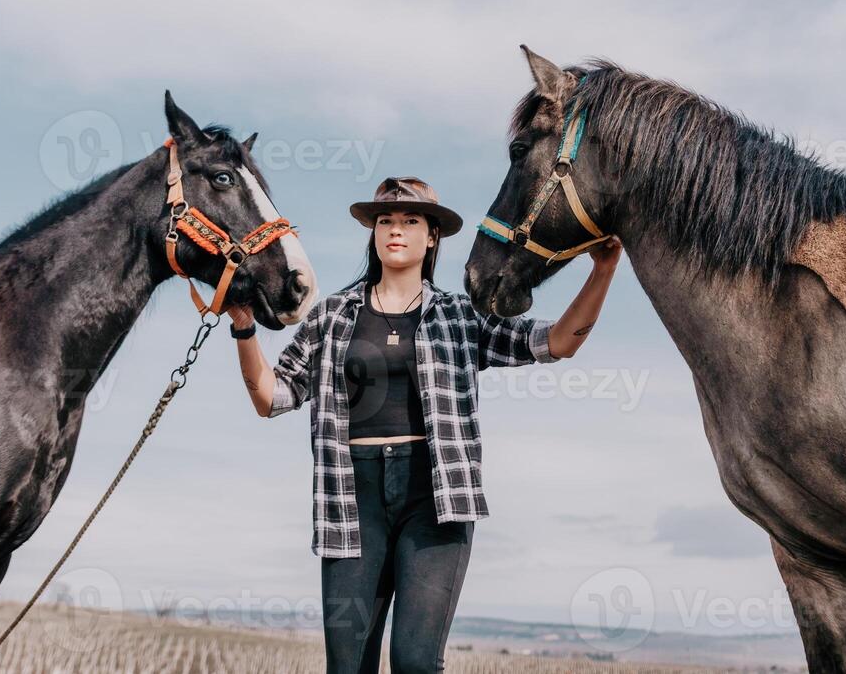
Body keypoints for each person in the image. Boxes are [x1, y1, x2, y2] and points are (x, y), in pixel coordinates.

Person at [229, 176, 621, 674]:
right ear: (373, 232)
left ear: (431, 236)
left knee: (415, 661)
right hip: (351, 496)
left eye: (411, 221)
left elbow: (556, 342)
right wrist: (244, 327)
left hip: (435, 497)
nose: (396, 230)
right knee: (348, 666)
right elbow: (271, 396)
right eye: (386, 221)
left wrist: (603, 272)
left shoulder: (460, 316)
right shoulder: (330, 316)